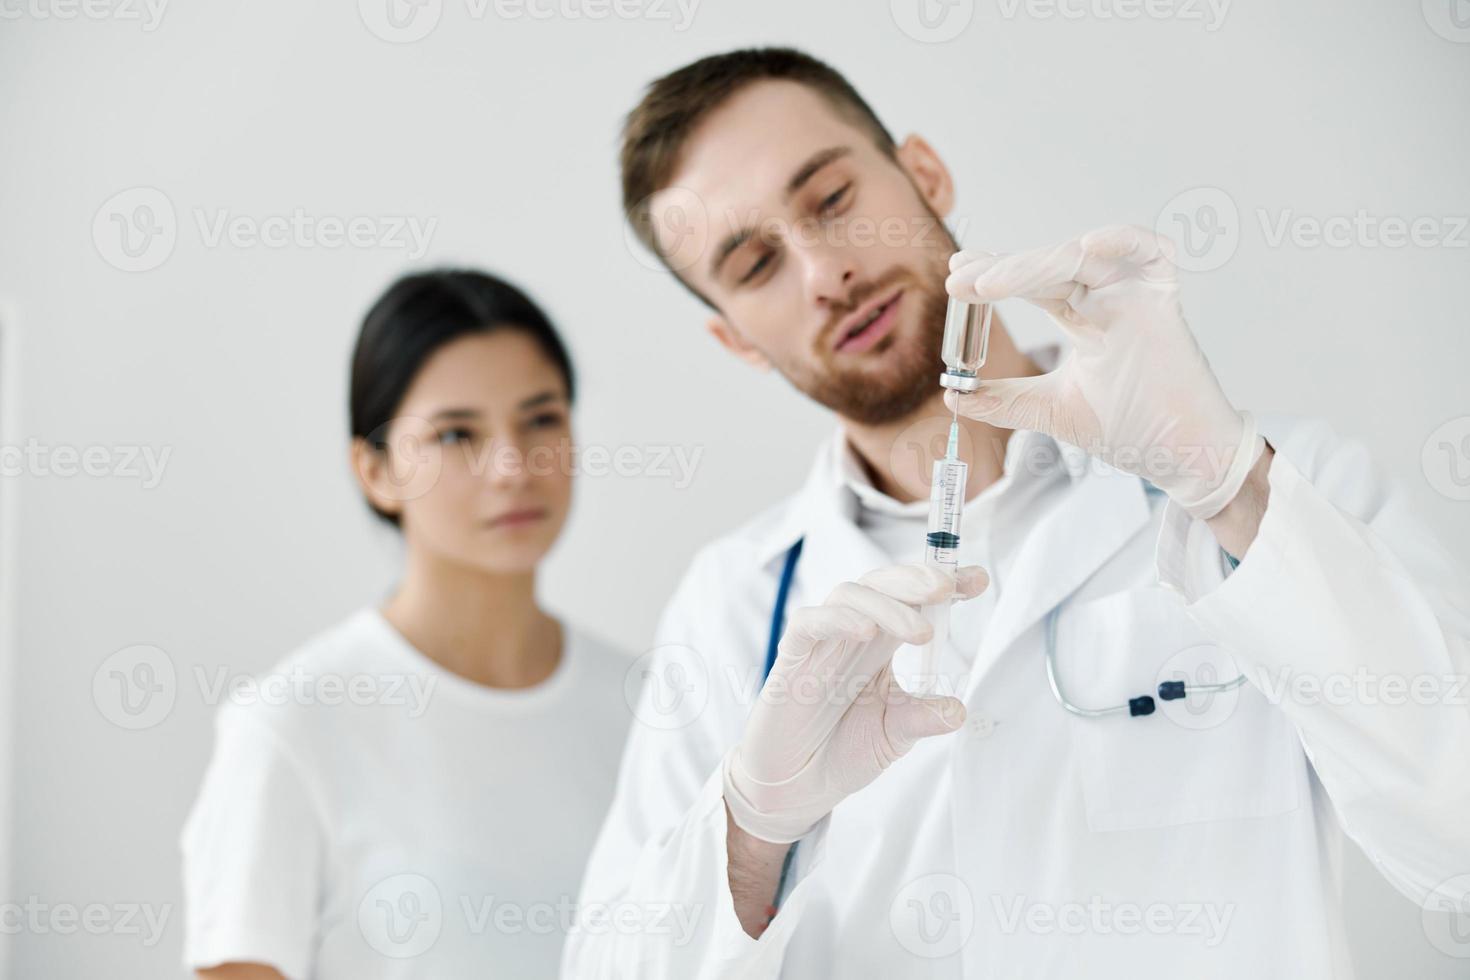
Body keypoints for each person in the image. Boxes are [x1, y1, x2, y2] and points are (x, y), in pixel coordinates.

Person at [565, 48, 1470, 978]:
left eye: (832, 199)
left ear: (922, 173)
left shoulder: (1284, 484)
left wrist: (1224, 479)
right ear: (734, 338)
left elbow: (1459, 833)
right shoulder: (731, 606)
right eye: (756, 264)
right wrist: (752, 831)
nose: (825, 270)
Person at [181, 270, 631, 979]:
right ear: (375, 470)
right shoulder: (292, 727)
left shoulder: (645, 708)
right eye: (457, 434)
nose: (512, 465)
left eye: (541, 418)